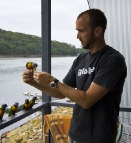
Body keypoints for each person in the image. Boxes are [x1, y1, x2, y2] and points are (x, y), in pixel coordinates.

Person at [22, 8, 127, 143]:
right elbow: (59, 93)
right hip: (75, 134)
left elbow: (87, 100)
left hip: (99, 137)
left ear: (98, 31)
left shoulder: (112, 59)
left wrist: (53, 80)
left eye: (81, 31)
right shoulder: (80, 60)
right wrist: (33, 82)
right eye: (77, 31)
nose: (77, 36)